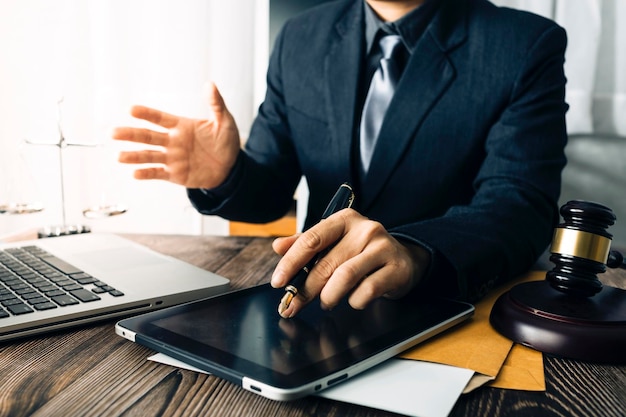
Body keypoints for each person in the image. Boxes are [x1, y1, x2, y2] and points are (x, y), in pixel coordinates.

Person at [112, 0, 568, 319]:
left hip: (442, 306)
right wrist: (227, 175)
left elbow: (518, 206)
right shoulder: (300, 36)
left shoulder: (525, 45)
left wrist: (412, 252)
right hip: (306, 307)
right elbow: (270, 190)